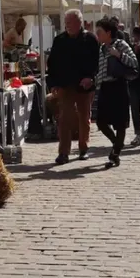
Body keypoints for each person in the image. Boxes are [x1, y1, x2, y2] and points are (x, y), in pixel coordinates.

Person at [47, 9, 100, 165]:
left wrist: (91, 77)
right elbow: (53, 64)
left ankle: (83, 148)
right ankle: (63, 152)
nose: (67, 25)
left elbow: (97, 62)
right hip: (65, 84)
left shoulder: (90, 39)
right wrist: (53, 83)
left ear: (79, 22)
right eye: (66, 22)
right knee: (65, 118)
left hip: (84, 86)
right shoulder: (60, 40)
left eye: (70, 22)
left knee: (84, 117)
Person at [94, 19, 138, 165]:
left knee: (120, 124)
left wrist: (119, 55)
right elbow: (100, 70)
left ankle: (115, 153)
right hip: (105, 88)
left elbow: (134, 63)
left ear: (108, 33)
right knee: (101, 122)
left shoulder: (121, 44)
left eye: (99, 32)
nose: (97, 35)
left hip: (118, 86)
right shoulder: (100, 49)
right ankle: (116, 144)